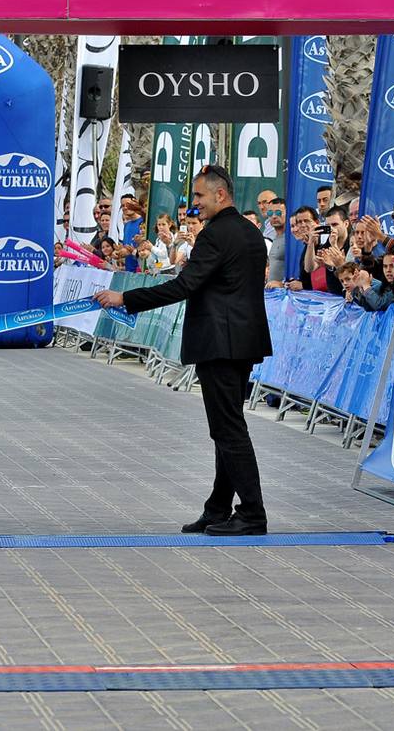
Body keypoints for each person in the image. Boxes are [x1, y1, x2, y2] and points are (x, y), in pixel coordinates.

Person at [94, 165, 272, 536]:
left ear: (220, 195)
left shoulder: (215, 235)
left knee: (228, 430)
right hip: (243, 342)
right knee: (227, 427)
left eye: (199, 197)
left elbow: (183, 286)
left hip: (220, 343)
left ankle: (252, 513)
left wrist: (125, 297)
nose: (194, 205)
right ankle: (219, 508)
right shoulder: (250, 233)